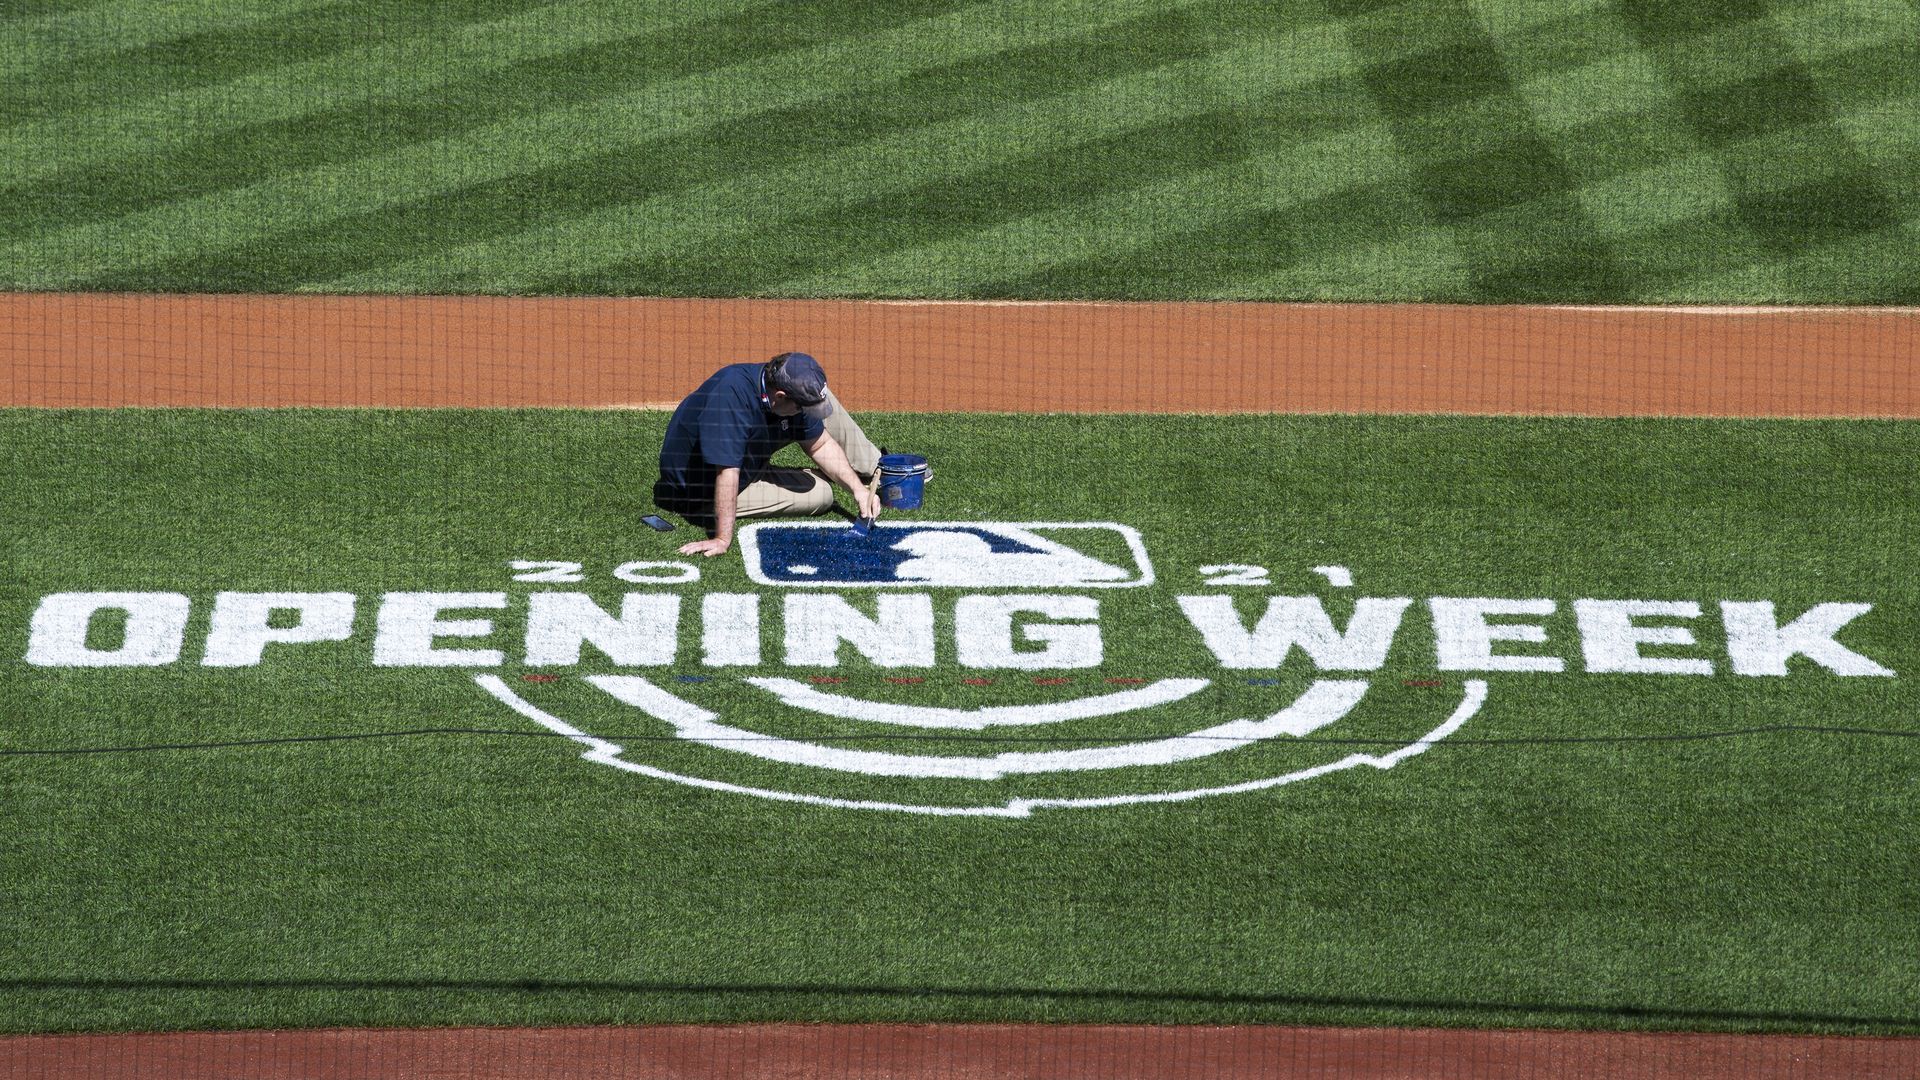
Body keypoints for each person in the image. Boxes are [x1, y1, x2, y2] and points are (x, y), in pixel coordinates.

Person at [653, 352, 883, 557]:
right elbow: (727, 473)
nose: (805, 412)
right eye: (799, 407)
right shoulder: (731, 397)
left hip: (748, 461)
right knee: (822, 495)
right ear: (781, 396)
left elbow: (820, 445)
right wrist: (722, 538)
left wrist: (858, 490)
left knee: (818, 397)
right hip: (703, 490)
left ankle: (879, 468)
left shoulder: (786, 387)